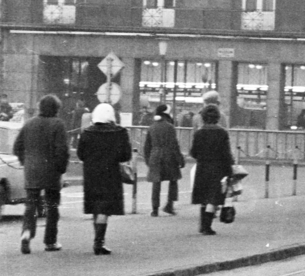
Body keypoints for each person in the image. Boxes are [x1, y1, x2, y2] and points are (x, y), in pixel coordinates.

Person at [13, 94, 70, 253]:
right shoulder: (58, 124)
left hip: (32, 171)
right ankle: (50, 242)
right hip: (51, 171)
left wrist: (26, 162)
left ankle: (26, 233)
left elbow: (17, 146)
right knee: (52, 206)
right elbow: (62, 150)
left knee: (31, 204)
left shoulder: (29, 123)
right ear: (56, 109)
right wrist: (61, 168)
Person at [77, 103, 132, 254]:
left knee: (96, 206)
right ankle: (98, 242)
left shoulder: (87, 133)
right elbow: (126, 155)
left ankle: (98, 239)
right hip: (110, 174)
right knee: (104, 208)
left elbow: (80, 154)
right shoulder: (120, 132)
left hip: (91, 174)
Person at [189, 103, 235, 236]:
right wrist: (229, 171)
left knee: (204, 197)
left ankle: (202, 226)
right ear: (217, 117)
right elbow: (226, 154)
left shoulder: (199, 133)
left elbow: (193, 153)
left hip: (202, 168)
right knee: (213, 198)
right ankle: (207, 227)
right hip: (218, 169)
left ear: (203, 117)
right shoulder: (222, 133)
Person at [142, 103, 184, 217]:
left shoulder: (152, 127)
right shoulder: (170, 127)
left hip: (155, 156)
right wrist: (180, 159)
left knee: (156, 182)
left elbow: (147, 146)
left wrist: (147, 159)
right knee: (173, 180)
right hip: (169, 156)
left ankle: (155, 209)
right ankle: (169, 205)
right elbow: (174, 145)